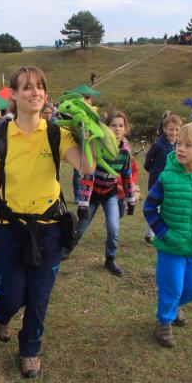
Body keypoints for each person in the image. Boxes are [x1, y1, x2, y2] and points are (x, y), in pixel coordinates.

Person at [0, 66, 95, 378]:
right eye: (27, 87)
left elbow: (87, 168)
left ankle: (30, 350)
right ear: (13, 95)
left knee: (38, 298)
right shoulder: (0, 137)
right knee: (13, 294)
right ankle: (1, 315)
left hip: (50, 230)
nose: (35, 92)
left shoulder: (57, 134)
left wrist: (90, 131)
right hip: (8, 230)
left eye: (40, 87)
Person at [143, 122, 192, 348]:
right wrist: (163, 233)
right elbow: (149, 207)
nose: (180, 148)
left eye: (188, 145)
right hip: (171, 247)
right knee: (172, 287)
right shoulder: (167, 177)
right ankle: (164, 322)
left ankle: (176, 306)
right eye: (179, 143)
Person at [76, 111, 136, 276]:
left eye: (121, 125)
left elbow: (127, 175)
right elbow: (88, 176)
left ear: (125, 129)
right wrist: (83, 204)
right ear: (106, 128)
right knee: (80, 226)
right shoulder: (97, 146)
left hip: (110, 193)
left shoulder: (125, 151)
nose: (117, 129)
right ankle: (63, 250)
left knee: (113, 227)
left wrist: (131, 200)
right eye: (113, 125)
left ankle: (110, 259)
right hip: (92, 193)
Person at [143, 114, 182, 245]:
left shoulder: (180, 145)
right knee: (154, 207)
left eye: (177, 129)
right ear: (165, 129)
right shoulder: (158, 144)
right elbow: (148, 160)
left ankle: (164, 233)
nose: (174, 132)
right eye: (171, 129)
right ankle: (149, 235)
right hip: (156, 181)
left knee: (168, 208)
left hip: (172, 182)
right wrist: (153, 172)